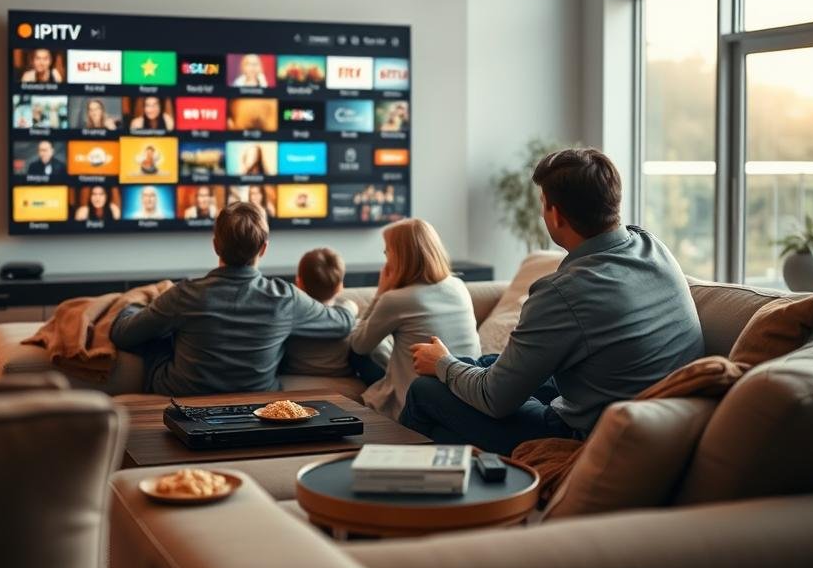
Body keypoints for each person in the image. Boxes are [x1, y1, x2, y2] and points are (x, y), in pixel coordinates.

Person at [400, 148, 705, 454]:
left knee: (425, 390)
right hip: (657, 420)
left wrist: (442, 363)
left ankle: (389, 477)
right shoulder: (653, 246)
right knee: (487, 364)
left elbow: (495, 399)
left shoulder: (563, 291)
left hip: (586, 435)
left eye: (543, 205)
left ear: (555, 214)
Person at [110, 202, 358, 395]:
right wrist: (348, 303)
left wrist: (132, 304)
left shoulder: (183, 294)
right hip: (257, 396)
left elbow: (123, 334)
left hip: (183, 393)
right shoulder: (286, 298)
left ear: (216, 245)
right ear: (263, 249)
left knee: (159, 337)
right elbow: (342, 323)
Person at [348, 218, 479, 421]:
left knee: (356, 353)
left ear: (400, 257)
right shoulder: (458, 285)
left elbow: (359, 345)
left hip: (417, 400)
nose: (385, 258)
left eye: (387, 252)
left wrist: (380, 292)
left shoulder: (396, 299)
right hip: (465, 391)